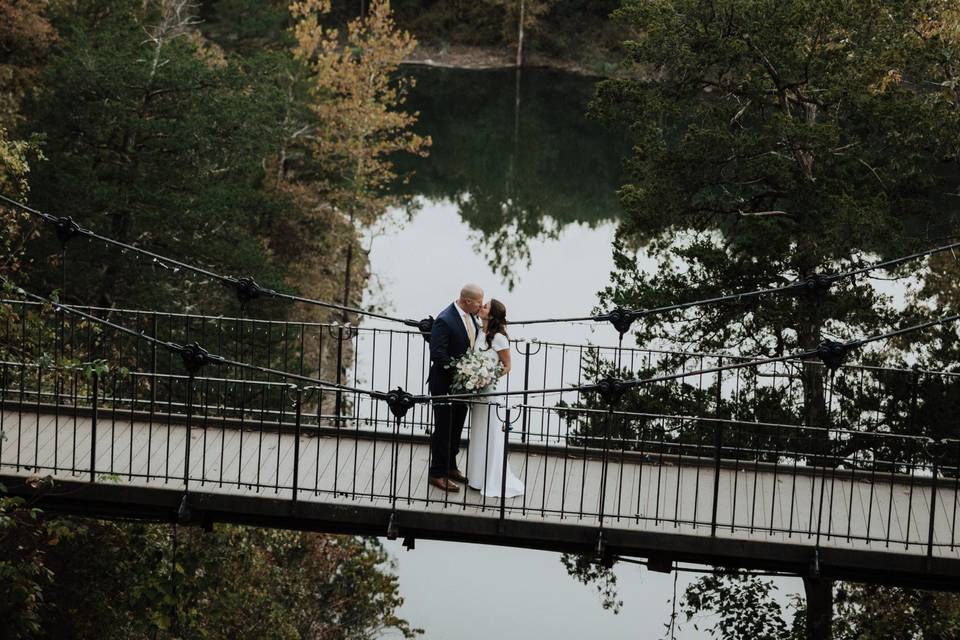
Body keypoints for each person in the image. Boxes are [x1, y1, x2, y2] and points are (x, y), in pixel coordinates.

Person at [427, 284, 483, 492]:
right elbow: (438, 354)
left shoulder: (472, 316)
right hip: (444, 383)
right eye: (479, 301)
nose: (481, 305)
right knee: (443, 428)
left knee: (457, 424)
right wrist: (461, 371)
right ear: (467, 301)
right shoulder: (445, 320)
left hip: (461, 385)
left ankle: (451, 466)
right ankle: (437, 473)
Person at [466, 299, 524, 498]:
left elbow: (507, 366)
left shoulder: (499, 338)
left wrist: (487, 378)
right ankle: (476, 477)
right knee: (478, 431)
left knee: (490, 432)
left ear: (491, 315)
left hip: (489, 392)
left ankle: (491, 478)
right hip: (477, 392)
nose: (481, 306)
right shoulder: (481, 331)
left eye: (486, 306)